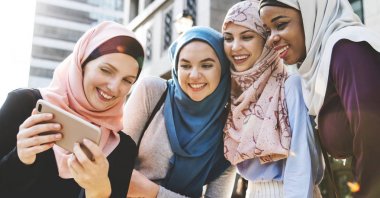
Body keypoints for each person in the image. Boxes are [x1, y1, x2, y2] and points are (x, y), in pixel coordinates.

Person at [0, 21, 144, 197]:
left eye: (127, 80)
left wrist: (99, 190)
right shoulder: (24, 106)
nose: (114, 87)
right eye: (106, 70)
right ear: (81, 63)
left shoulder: (122, 148)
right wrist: (21, 158)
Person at [259, 0, 380, 197]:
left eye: (280, 25)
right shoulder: (319, 67)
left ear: (310, 15)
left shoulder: (348, 50)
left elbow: (374, 141)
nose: (271, 39)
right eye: (267, 31)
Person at [222, 1, 323, 197]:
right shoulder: (234, 95)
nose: (235, 47)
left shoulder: (291, 86)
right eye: (228, 38)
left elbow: (301, 162)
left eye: (247, 36)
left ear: (266, 40)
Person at [122, 26, 236, 198]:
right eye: (185, 65)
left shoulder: (231, 131)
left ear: (223, 68)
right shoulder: (152, 92)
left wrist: (154, 192)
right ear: (176, 67)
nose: (194, 75)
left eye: (206, 65)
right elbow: (116, 166)